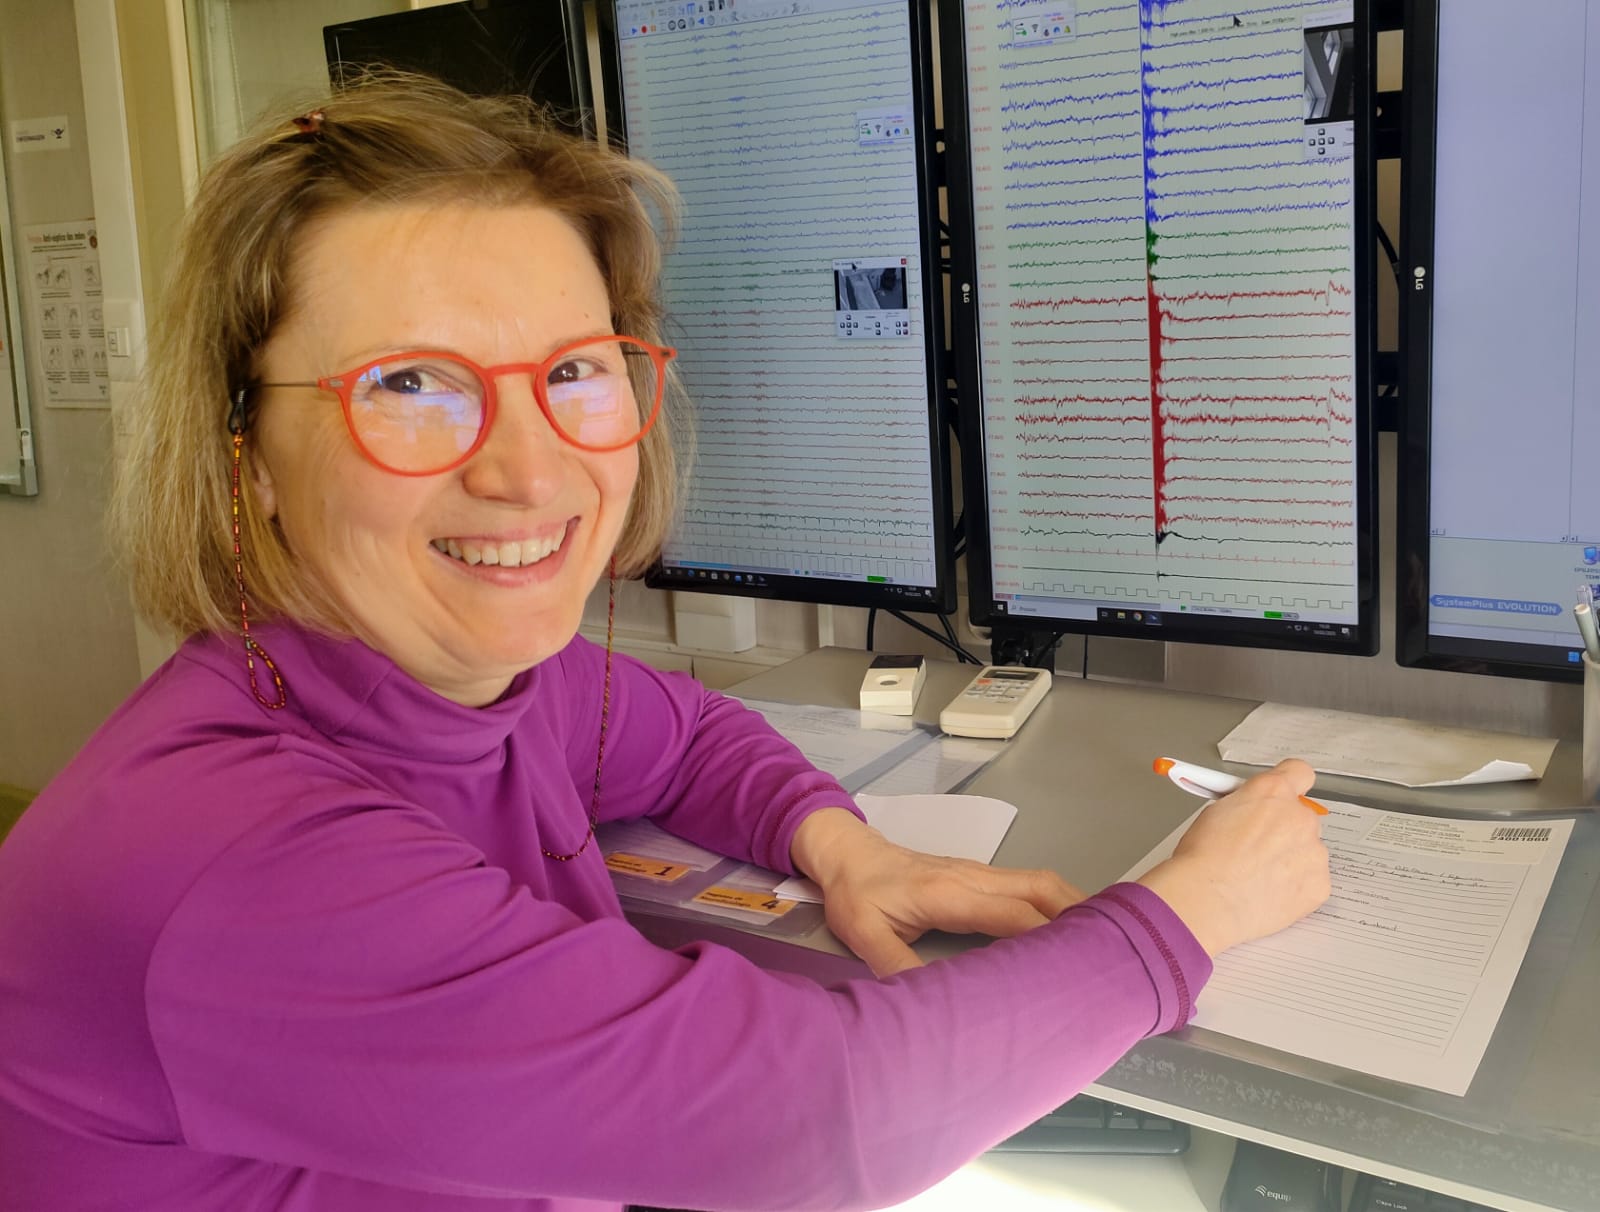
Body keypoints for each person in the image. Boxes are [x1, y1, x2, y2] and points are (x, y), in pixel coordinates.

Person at [0, 75, 1329, 1212]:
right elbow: (817, 1117)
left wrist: (845, 848)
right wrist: (1187, 915)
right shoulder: (225, 860)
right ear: (245, 454)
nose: (530, 472)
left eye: (574, 371)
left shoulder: (476, 682)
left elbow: (685, 733)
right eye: (411, 384)